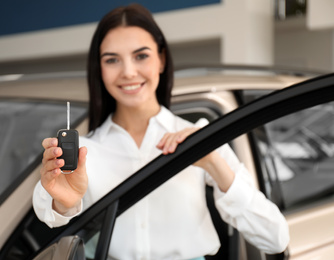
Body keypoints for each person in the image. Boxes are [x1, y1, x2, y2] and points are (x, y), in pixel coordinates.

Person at [33, 3, 289, 260]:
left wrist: (213, 163)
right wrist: (61, 204)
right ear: (99, 69)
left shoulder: (199, 136)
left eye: (141, 56)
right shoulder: (86, 153)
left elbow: (275, 238)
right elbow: (50, 211)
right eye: (112, 60)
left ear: (162, 60)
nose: (128, 72)